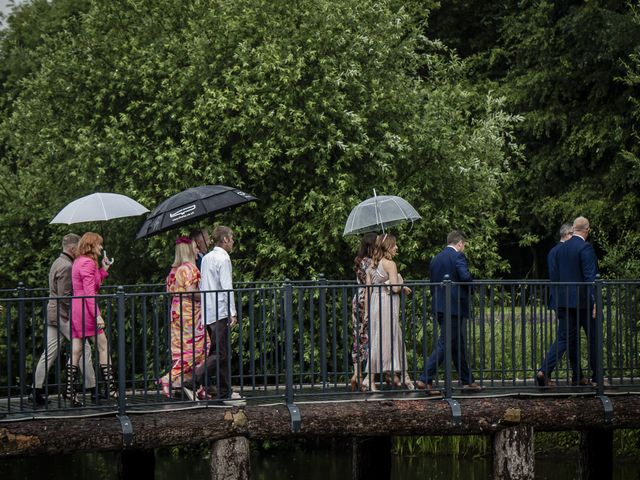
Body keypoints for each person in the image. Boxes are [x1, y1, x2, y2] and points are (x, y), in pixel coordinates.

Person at [30, 234, 96, 406]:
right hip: (63, 315)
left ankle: (35, 391)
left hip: (53, 313)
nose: (81, 251)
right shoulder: (67, 266)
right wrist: (74, 317)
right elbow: (64, 297)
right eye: (79, 248)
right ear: (72, 248)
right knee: (84, 348)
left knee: (49, 353)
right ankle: (94, 389)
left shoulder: (57, 262)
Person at [536, 216, 599, 387]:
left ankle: (544, 370)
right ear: (587, 230)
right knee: (593, 337)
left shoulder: (560, 249)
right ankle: (597, 377)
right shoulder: (585, 247)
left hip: (564, 301)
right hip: (583, 302)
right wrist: (594, 301)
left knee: (564, 338)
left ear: (573, 229)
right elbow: (589, 278)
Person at [417, 230, 480, 393]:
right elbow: (465, 277)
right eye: (463, 245)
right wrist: (472, 287)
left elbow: (432, 283)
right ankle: (425, 378)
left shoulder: (436, 258)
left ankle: (467, 380)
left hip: (440, 306)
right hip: (454, 306)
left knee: (457, 344)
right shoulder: (458, 256)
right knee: (445, 343)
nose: (463, 248)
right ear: (460, 244)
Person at [189, 225, 242, 401]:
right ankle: (192, 379)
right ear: (225, 240)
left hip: (209, 311)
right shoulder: (223, 259)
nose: (233, 242)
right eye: (232, 238)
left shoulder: (207, 258)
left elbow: (204, 286)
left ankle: (224, 392)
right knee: (220, 354)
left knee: (223, 353)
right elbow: (227, 287)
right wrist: (232, 312)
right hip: (220, 311)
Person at [66, 232, 115, 406]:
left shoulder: (79, 261)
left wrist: (103, 269)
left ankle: (69, 392)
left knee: (76, 350)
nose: (101, 247)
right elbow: (89, 293)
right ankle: (112, 389)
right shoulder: (87, 263)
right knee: (103, 346)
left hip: (78, 309)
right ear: (91, 245)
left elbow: (91, 285)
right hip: (87, 310)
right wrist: (98, 315)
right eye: (99, 244)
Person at [158, 236, 209, 398]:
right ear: (188, 250)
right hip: (190, 313)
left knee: (185, 349)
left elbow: (169, 290)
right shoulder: (189, 268)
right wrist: (208, 295)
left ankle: (194, 384)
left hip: (177, 311)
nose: (197, 250)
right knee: (199, 348)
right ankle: (169, 378)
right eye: (195, 247)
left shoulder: (174, 270)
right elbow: (192, 292)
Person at [362, 233, 414, 391]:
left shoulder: (371, 266)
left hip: (376, 304)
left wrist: (366, 312)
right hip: (387, 303)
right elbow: (394, 288)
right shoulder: (390, 264)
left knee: (386, 338)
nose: (397, 247)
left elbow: (368, 291)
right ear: (387, 247)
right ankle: (368, 379)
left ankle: (405, 376)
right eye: (394, 245)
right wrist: (399, 280)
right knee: (388, 339)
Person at [350, 232, 377, 391]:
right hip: (368, 299)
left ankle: (356, 374)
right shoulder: (371, 263)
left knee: (357, 336)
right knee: (369, 337)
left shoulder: (360, 261)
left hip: (357, 298)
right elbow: (372, 283)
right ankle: (366, 377)